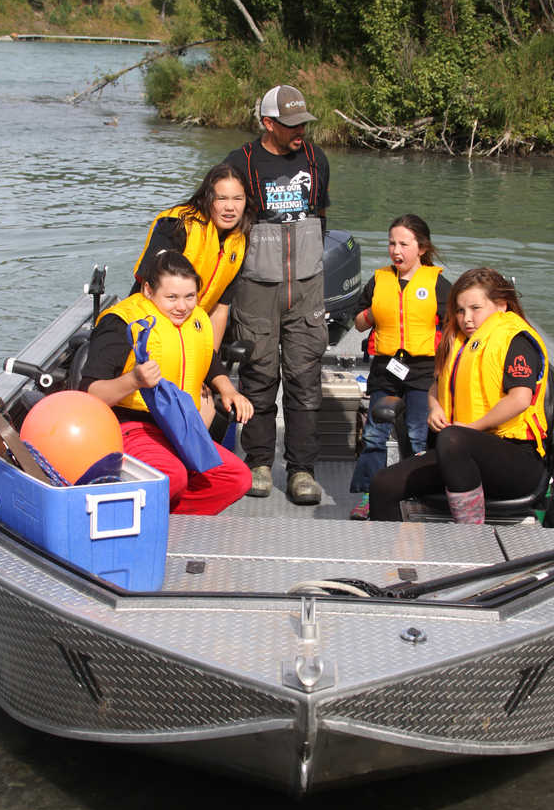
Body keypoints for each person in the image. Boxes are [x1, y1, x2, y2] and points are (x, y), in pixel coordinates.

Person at [369, 267, 549, 524]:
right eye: (461, 310)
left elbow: (520, 399)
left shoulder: (515, 340)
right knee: (383, 484)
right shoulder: (459, 340)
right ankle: (390, 561)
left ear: (500, 305)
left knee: (453, 439)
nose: (466, 319)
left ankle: (467, 536)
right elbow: (437, 386)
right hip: (457, 454)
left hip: (516, 461)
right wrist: (435, 408)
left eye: (476, 308)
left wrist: (472, 429)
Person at [80, 250, 253, 515]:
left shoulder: (195, 320)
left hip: (180, 426)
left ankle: (168, 520)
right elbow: (90, 395)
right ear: (148, 290)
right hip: (131, 426)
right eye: (171, 297)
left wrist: (228, 390)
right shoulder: (120, 323)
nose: (182, 306)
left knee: (235, 478)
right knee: (172, 475)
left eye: (189, 297)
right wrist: (133, 380)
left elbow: (208, 360)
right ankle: (133, 519)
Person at [224, 85, 330, 505]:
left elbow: (320, 218)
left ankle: (302, 470)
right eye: (290, 124)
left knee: (306, 381)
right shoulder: (240, 162)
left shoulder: (316, 159)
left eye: (303, 122)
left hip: (306, 289)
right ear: (268, 123)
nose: (300, 130)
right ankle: (259, 463)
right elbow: (226, 220)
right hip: (256, 290)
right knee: (258, 377)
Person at [349, 215, 451, 520]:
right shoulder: (379, 279)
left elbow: (452, 328)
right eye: (392, 243)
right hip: (386, 368)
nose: (396, 250)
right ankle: (369, 494)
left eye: (404, 244)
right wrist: (371, 315)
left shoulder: (437, 283)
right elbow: (356, 321)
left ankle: (415, 494)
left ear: (421, 247)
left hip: (423, 370)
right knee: (374, 435)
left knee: (418, 435)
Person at [132, 163, 254, 348]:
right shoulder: (176, 225)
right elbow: (147, 289)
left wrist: (209, 363)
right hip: (149, 327)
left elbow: (220, 308)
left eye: (238, 199)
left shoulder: (239, 242)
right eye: (221, 198)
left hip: (190, 328)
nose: (230, 207)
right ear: (207, 198)